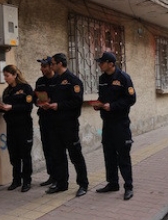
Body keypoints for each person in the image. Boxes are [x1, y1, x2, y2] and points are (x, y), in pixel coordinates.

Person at [40, 53, 89, 196]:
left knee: (75, 155)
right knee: (58, 155)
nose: (51, 66)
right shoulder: (55, 80)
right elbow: (52, 98)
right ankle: (62, 184)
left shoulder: (73, 81)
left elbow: (76, 102)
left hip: (69, 124)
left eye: (53, 63)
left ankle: (83, 184)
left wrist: (58, 106)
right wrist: (47, 104)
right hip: (54, 125)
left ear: (60, 64)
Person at [92, 52, 137, 201]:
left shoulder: (124, 78)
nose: (99, 65)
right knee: (109, 154)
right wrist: (99, 105)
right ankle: (112, 183)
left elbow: (131, 99)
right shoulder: (102, 79)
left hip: (121, 123)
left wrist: (112, 106)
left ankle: (128, 187)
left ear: (111, 63)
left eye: (102, 62)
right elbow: (103, 98)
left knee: (123, 155)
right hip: (107, 123)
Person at [0, 65, 35, 192]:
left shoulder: (26, 88)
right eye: (4, 75)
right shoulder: (7, 91)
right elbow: (7, 107)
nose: (5, 78)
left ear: (14, 75)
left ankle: (27, 181)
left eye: (7, 75)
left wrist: (12, 107)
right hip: (11, 126)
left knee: (25, 155)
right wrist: (0, 108)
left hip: (24, 126)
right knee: (14, 155)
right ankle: (16, 180)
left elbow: (28, 107)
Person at [35, 56, 56, 187]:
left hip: (55, 119)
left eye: (44, 66)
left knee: (56, 149)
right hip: (44, 118)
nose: (41, 68)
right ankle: (51, 175)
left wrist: (51, 102)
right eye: (41, 66)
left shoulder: (58, 80)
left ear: (51, 66)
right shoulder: (40, 81)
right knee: (47, 148)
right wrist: (38, 102)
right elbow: (34, 97)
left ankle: (59, 176)